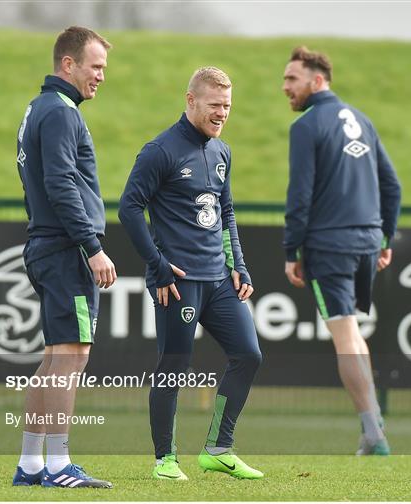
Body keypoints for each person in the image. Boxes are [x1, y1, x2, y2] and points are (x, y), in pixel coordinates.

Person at [119, 67, 263, 480]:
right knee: (174, 366)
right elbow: (129, 208)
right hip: (177, 284)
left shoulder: (222, 152)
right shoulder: (159, 151)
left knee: (249, 354)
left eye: (228, 106)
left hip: (218, 280)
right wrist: (158, 267)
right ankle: (165, 459)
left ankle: (219, 448)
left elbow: (226, 212)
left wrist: (239, 265)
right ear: (191, 100)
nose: (222, 113)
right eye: (215, 105)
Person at [282, 46, 401, 455]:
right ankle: (373, 424)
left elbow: (300, 194)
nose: (285, 87)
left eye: (292, 79)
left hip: (330, 245)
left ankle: (373, 433)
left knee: (343, 332)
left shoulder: (308, 126)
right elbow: (393, 186)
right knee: (351, 330)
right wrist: (385, 239)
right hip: (367, 242)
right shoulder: (363, 120)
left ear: (317, 81)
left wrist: (290, 249)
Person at [13, 26, 117, 488]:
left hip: (46, 244)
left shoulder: (40, 107)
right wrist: (92, 247)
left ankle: (32, 465)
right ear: (68, 64)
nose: (100, 76)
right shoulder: (59, 112)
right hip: (65, 249)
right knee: (72, 357)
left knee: (55, 357)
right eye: (95, 67)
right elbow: (60, 184)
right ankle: (59, 466)